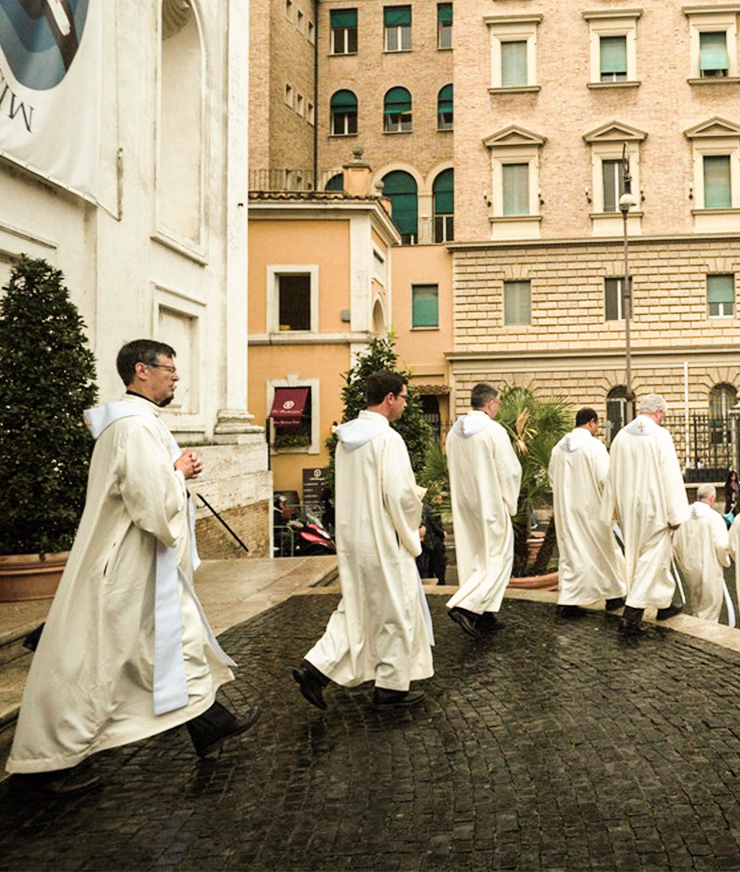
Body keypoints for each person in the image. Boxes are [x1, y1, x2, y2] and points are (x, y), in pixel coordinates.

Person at [6, 339, 260, 796]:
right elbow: (151, 505)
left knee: (174, 643)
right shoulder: (134, 428)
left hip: (144, 565)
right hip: (126, 567)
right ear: (142, 371)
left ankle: (210, 724)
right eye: (169, 369)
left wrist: (176, 471)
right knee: (95, 662)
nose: (176, 377)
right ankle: (43, 765)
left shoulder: (134, 424)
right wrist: (179, 473)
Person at [292, 371, 433, 710]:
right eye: (403, 396)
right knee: (395, 613)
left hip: (354, 541)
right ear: (389, 398)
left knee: (357, 609)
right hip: (384, 540)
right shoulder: (388, 440)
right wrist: (413, 533)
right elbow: (400, 496)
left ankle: (316, 667)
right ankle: (391, 689)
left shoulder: (345, 439)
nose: (406, 403)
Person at [601, 393, 690, 635]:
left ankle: (664, 605)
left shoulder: (620, 436)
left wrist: (611, 510)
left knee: (646, 559)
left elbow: (612, 476)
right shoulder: (660, 436)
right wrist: (675, 515)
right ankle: (631, 615)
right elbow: (669, 476)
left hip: (630, 510)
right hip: (656, 509)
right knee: (652, 559)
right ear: (659, 412)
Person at [445, 383, 522, 640]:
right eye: (498, 403)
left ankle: (486, 615)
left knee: (475, 557)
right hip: (489, 503)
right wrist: (510, 502)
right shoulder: (493, 430)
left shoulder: (455, 431)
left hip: (464, 504)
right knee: (498, 558)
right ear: (490, 404)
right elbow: (509, 470)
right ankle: (467, 607)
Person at [548, 408, 626, 619]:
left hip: (567, 511)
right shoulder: (594, 447)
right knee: (604, 551)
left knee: (572, 554)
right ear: (592, 423)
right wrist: (613, 507)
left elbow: (552, 478)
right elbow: (605, 479)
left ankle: (569, 599)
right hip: (591, 510)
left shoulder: (559, 448)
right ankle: (614, 595)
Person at [673, 484, 731, 622]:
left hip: (690, 568)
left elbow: (675, 545)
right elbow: (722, 545)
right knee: (710, 610)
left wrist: (683, 564)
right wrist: (724, 562)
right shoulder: (715, 518)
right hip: (709, 568)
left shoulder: (683, 516)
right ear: (712, 499)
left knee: (696, 605)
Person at [417, 501, 447, 585]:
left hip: (430, 540)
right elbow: (434, 525)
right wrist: (442, 533)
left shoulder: (427, 509)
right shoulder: (429, 509)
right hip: (432, 541)